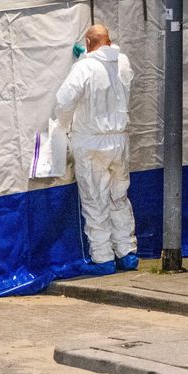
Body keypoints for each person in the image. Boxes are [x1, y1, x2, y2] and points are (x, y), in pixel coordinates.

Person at [52, 24, 138, 270]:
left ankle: (103, 259)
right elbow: (115, 69)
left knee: (95, 199)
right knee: (118, 197)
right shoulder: (122, 62)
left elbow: (64, 101)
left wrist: (62, 126)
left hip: (91, 141)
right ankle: (127, 252)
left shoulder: (83, 68)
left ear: (89, 43)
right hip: (119, 140)